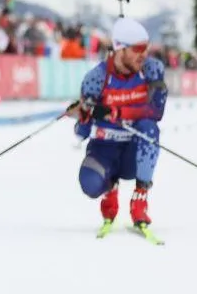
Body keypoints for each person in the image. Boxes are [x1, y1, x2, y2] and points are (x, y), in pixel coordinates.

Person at [70, 17, 168, 234]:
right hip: (105, 148)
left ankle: (140, 200)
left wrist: (117, 112)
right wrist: (82, 117)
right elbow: (82, 131)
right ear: (120, 49)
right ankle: (110, 186)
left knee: (149, 129)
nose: (144, 54)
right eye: (138, 49)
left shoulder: (151, 70)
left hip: (134, 152)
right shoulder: (96, 78)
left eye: (146, 47)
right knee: (89, 184)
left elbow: (156, 111)